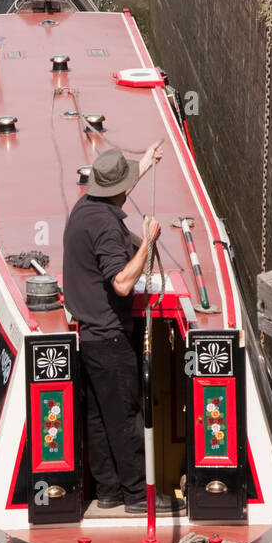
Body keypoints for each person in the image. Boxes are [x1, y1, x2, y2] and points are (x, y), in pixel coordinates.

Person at [62, 143, 173, 516]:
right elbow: (123, 283)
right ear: (119, 192)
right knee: (126, 417)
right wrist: (149, 242)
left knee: (98, 415)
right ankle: (138, 496)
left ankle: (108, 491)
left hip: (88, 335)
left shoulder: (85, 208)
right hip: (110, 337)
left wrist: (144, 163)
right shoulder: (109, 227)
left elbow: (118, 187)